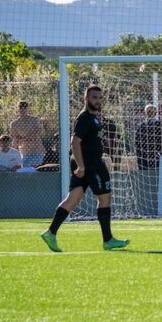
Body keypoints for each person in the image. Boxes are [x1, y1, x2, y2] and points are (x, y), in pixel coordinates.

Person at [40, 85, 129, 253]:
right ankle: (108, 240)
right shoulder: (85, 118)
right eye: (94, 97)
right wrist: (81, 165)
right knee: (105, 198)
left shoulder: (94, 117)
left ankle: (50, 232)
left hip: (87, 163)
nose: (98, 101)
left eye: (100, 98)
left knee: (73, 198)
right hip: (91, 164)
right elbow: (75, 142)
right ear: (86, 98)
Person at [9, 100, 46, 168]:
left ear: (28, 109)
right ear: (18, 109)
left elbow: (36, 133)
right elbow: (15, 139)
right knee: (26, 170)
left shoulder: (34, 119)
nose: (23, 109)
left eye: (25, 107)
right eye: (20, 107)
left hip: (37, 150)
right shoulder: (14, 124)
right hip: (24, 151)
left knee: (36, 170)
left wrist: (23, 138)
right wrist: (25, 139)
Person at [134, 104, 162, 170]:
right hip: (144, 154)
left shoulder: (160, 125)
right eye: (148, 111)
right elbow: (137, 141)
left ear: (155, 113)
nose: (150, 113)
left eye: (152, 111)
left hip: (157, 153)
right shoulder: (141, 126)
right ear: (145, 113)